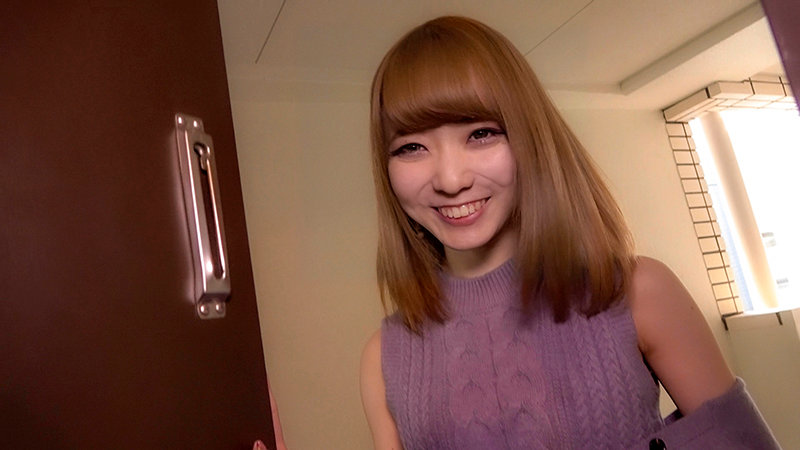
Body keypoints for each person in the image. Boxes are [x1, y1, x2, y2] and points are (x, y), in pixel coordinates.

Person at [359, 16, 779, 449]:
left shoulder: (637, 292)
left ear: (531, 139)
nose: (450, 179)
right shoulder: (384, 359)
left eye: (482, 134)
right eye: (411, 147)